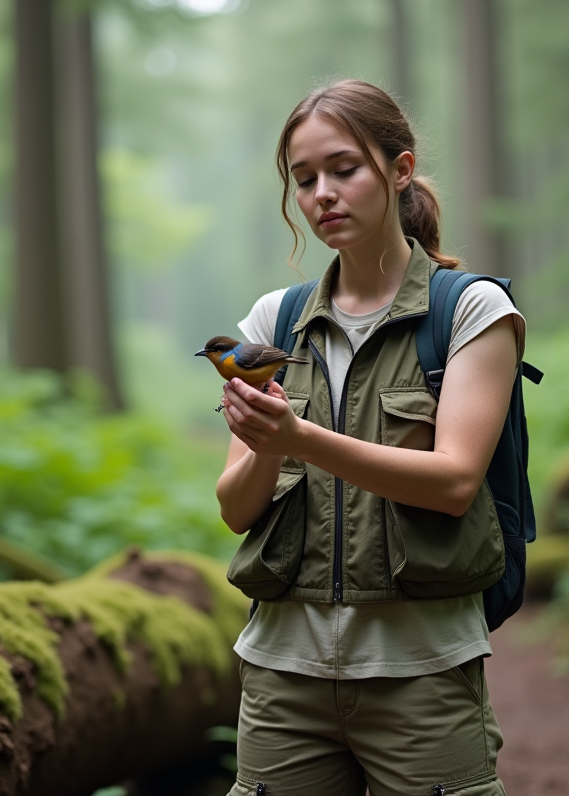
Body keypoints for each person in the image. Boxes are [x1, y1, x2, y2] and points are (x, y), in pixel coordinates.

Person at [215, 79, 524, 796]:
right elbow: (235, 510)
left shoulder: (470, 310)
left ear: (400, 169)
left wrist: (299, 435)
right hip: (280, 679)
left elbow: (453, 484)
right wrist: (267, 444)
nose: (323, 193)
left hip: (423, 675)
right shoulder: (273, 321)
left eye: (344, 168)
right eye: (304, 178)